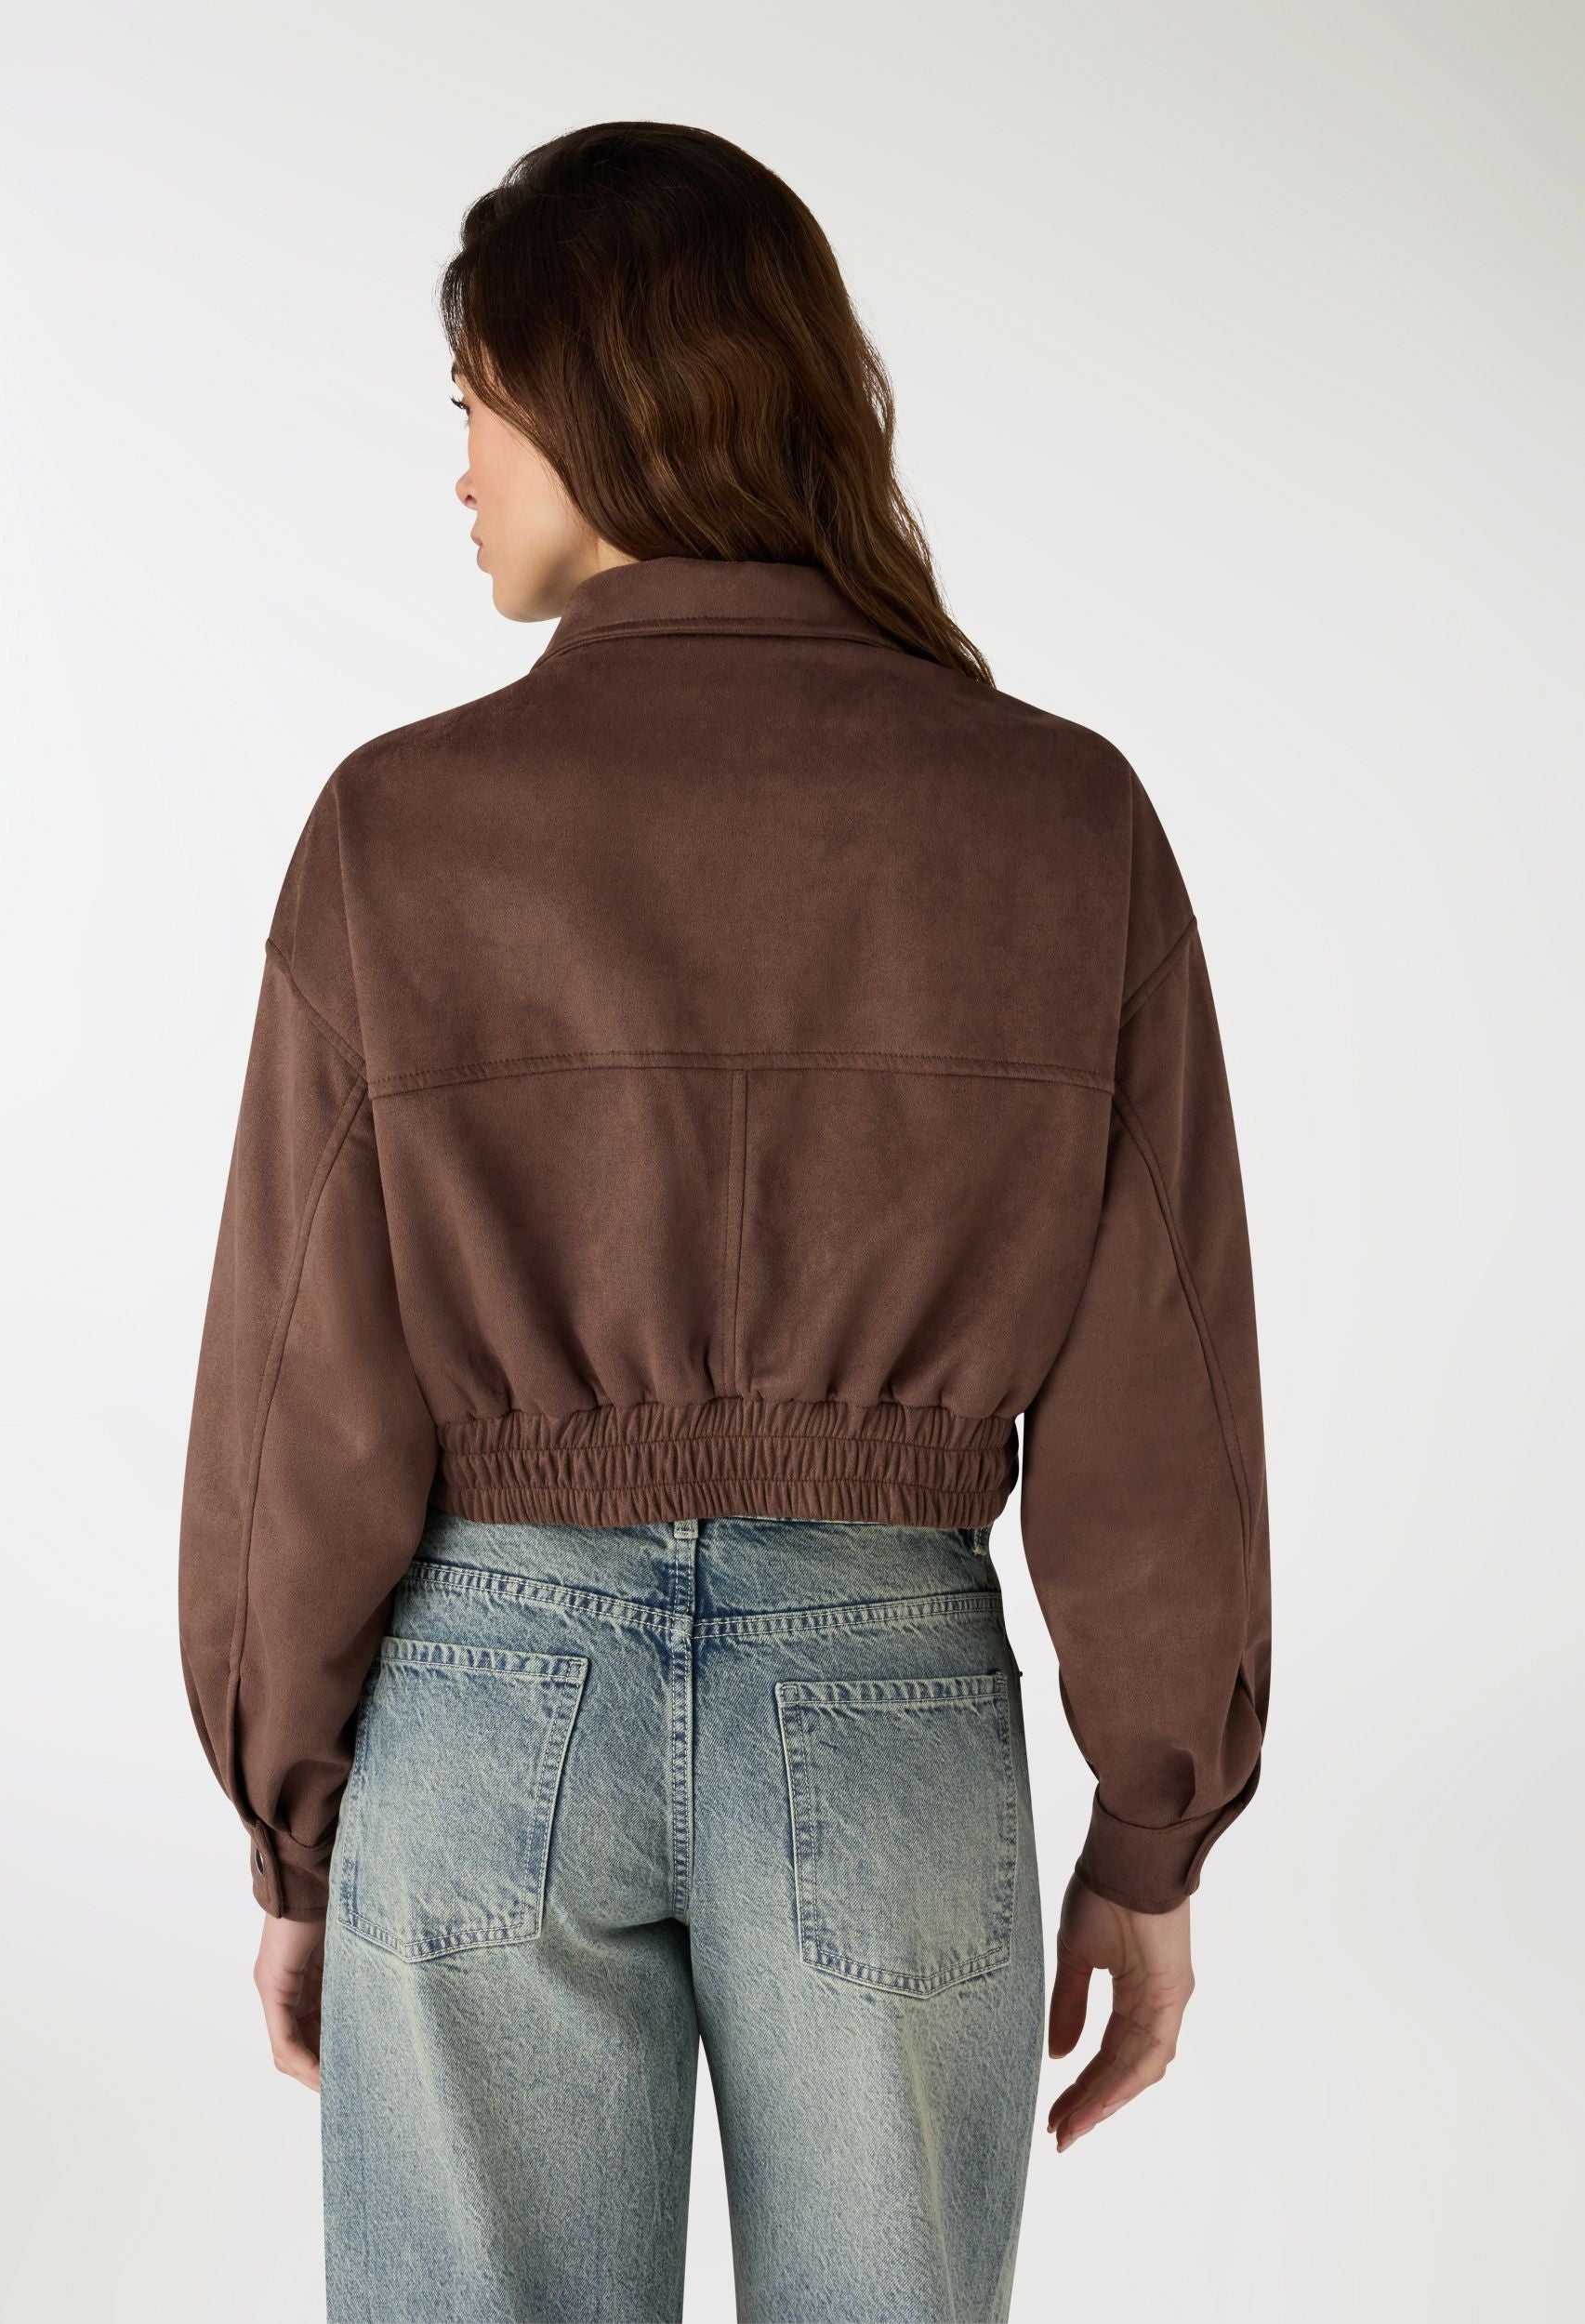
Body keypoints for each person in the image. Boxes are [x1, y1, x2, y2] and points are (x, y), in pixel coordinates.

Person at [178, 120, 1271, 2324]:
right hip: (887, 1696)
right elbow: (1162, 1387)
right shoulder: (1062, 816)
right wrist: (1151, 1832)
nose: (457, 471)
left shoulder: (399, 829)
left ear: (598, 407)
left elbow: (303, 1392)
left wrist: (298, 1826)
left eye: (476, 406)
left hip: (485, 1707)